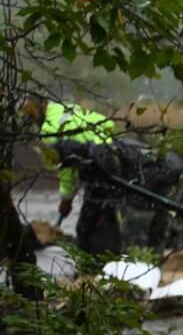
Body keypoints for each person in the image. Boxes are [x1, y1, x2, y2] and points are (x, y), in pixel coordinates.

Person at [21, 93, 123, 255]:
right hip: (112, 153)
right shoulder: (64, 107)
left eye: (31, 116)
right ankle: (115, 251)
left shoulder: (50, 130)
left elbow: (66, 168)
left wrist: (66, 199)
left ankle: (96, 264)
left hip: (99, 168)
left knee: (86, 229)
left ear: (41, 106)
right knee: (110, 210)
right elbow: (104, 123)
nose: (32, 121)